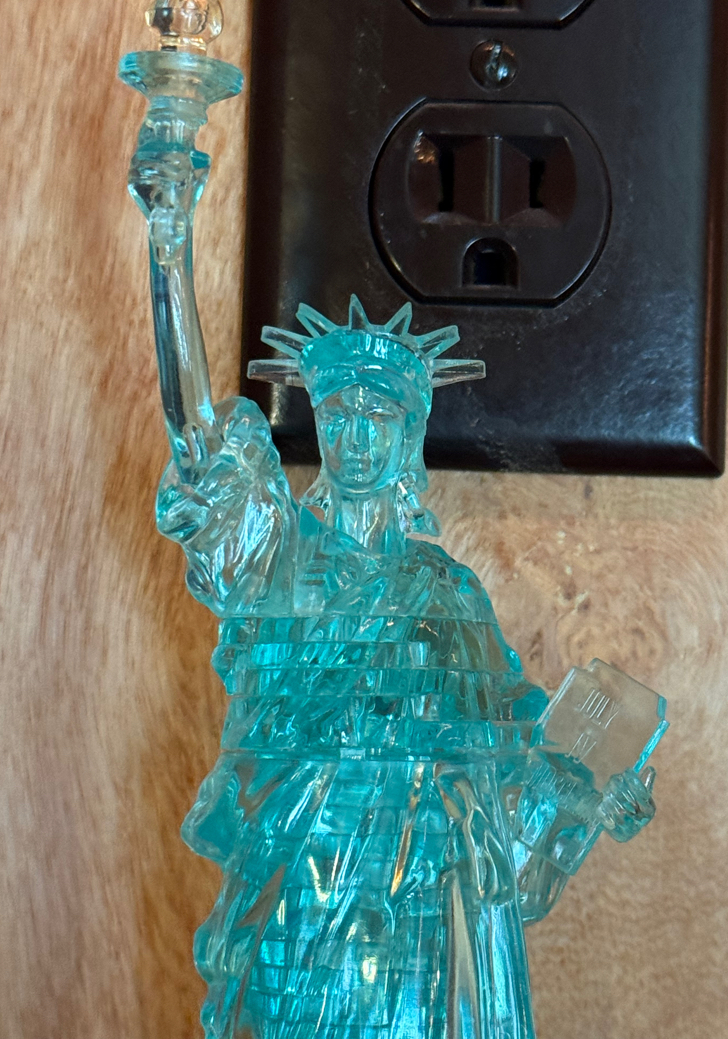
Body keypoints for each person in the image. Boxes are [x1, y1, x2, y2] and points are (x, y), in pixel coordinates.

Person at [152, 295, 656, 1039]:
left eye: (378, 418)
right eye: (338, 417)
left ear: (409, 433)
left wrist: (594, 794)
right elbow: (197, 440)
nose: (356, 440)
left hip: (417, 891)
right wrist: (170, 256)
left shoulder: (448, 592)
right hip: (301, 876)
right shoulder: (279, 561)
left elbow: (516, 728)